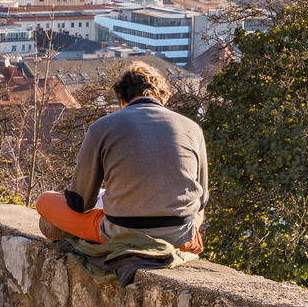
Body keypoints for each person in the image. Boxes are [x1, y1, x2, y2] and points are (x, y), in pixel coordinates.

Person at [35, 63, 208, 253]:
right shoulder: (192, 128)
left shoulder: (102, 127)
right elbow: (201, 200)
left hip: (120, 232)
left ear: (122, 99)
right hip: (179, 235)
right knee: (199, 210)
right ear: (163, 99)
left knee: (45, 201)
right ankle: (191, 240)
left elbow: (80, 203)